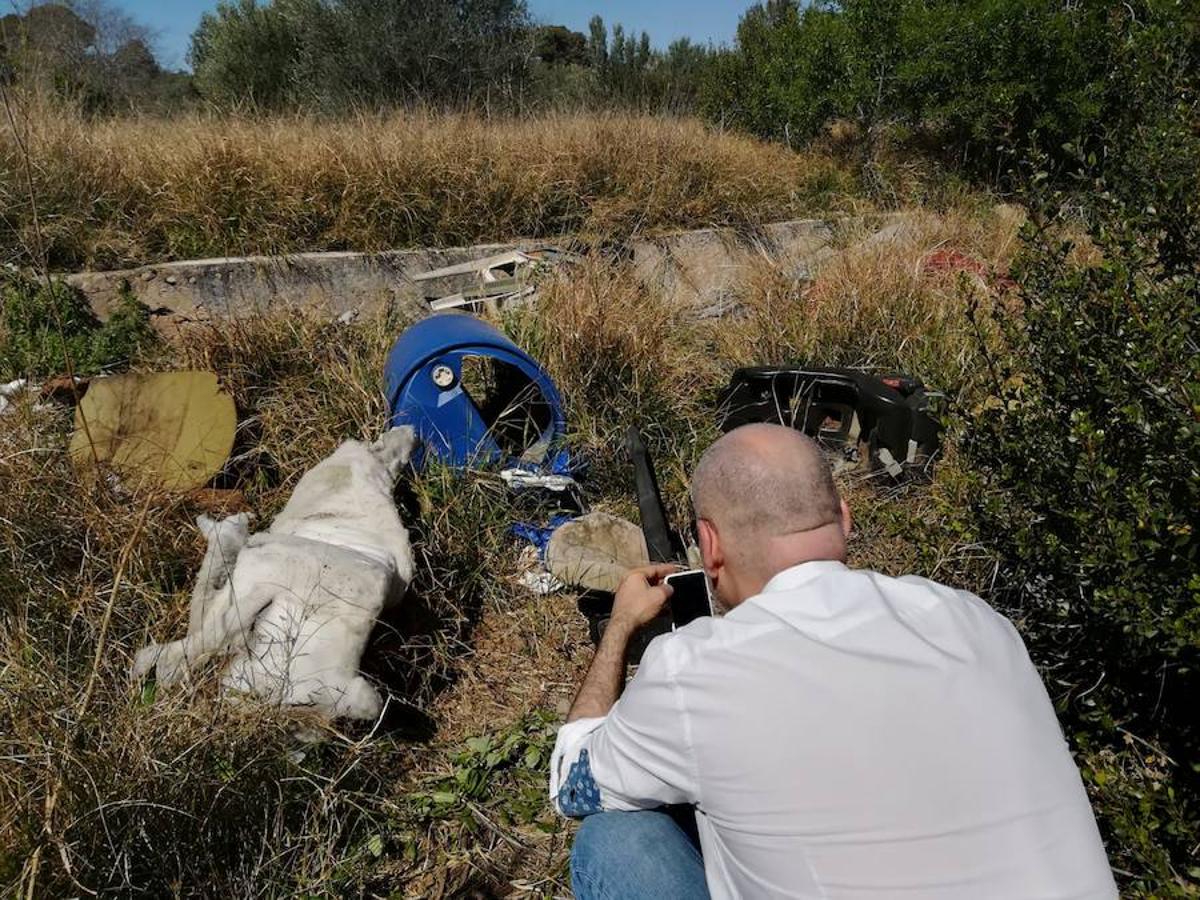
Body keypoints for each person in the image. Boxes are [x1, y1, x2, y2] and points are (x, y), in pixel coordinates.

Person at [549, 423, 1117, 900]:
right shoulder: (975, 621)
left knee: (615, 844)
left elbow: (571, 784)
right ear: (844, 517)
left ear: (710, 545)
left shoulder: (692, 670)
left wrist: (621, 627)